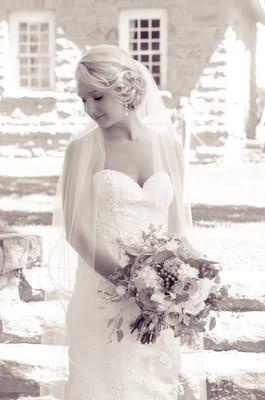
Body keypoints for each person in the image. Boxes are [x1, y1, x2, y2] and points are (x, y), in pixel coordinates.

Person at [41, 44, 206, 400]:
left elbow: (177, 230)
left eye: (97, 97)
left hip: (157, 305)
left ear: (124, 88)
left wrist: (183, 286)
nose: (89, 109)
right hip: (102, 298)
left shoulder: (170, 148)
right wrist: (131, 286)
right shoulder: (82, 150)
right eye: (83, 100)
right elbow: (76, 231)